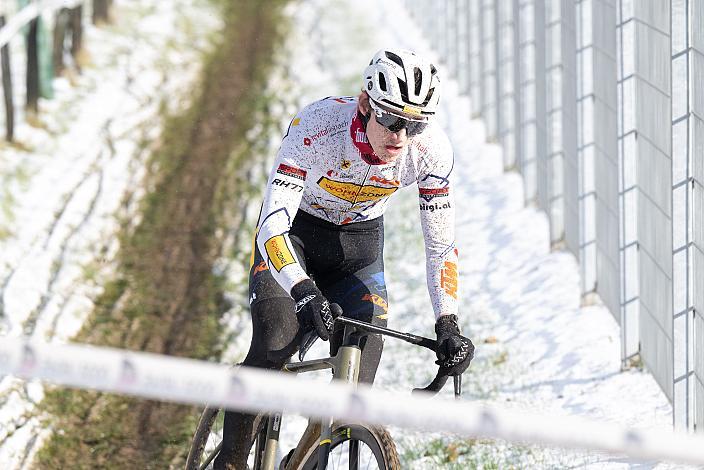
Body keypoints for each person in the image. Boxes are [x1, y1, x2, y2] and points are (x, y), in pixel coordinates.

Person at [214, 48, 475, 469]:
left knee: (358, 385)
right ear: (365, 104)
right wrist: (301, 290)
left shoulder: (431, 152)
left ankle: (308, 458)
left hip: (358, 252)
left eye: (416, 124)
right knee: (276, 340)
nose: (401, 137)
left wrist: (448, 322)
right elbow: (271, 226)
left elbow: (441, 245)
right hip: (294, 239)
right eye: (391, 119)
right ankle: (230, 461)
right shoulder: (316, 128)